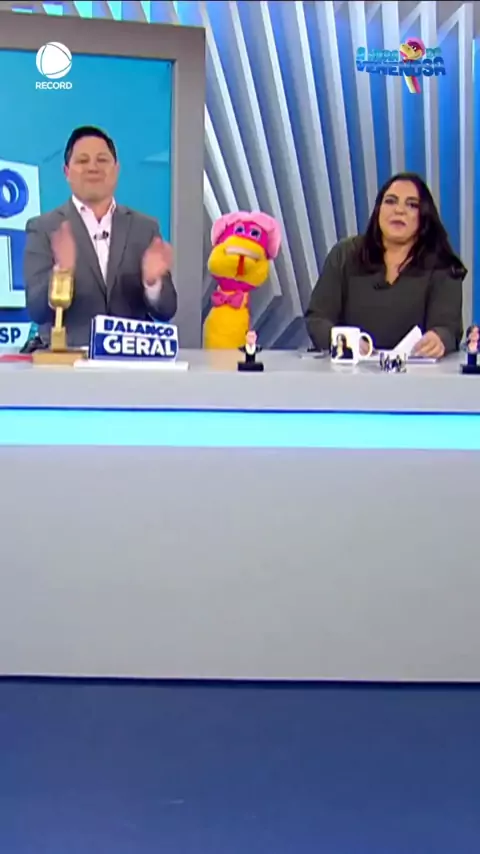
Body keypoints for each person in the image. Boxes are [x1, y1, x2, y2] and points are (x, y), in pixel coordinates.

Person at [23, 126, 177, 347]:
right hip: (67, 358)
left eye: (102, 160)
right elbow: (37, 310)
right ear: (66, 172)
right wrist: (61, 273)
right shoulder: (44, 228)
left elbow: (167, 310)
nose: (93, 167)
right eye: (82, 160)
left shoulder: (145, 228)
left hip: (130, 358)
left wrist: (153, 283)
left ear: (116, 169)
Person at [305, 172, 466, 359]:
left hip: (417, 373)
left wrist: (438, 339)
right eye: (390, 201)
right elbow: (318, 318)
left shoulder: (442, 265)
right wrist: (344, 341)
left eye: (412, 205)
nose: (399, 210)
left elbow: (447, 327)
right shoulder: (345, 254)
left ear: (424, 216)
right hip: (349, 371)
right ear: (378, 210)